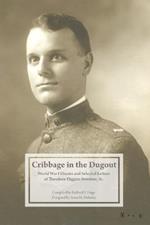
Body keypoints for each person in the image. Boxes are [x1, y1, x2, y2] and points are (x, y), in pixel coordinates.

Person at [18, 13, 150, 225]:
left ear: (86, 64)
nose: (42, 70)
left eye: (56, 57)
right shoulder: (33, 149)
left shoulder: (113, 149)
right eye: (33, 59)